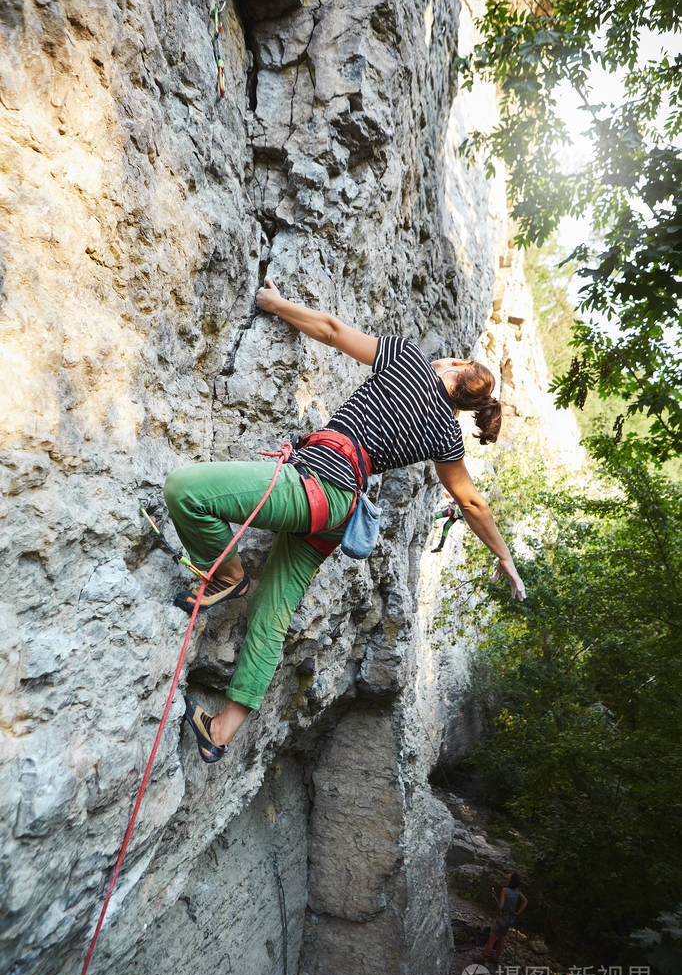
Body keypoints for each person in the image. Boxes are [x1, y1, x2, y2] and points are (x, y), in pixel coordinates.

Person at [163, 278, 526, 763]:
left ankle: (227, 576)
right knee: (272, 617)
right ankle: (221, 731)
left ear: (457, 367)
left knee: (185, 491)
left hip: (316, 485)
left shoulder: (409, 359)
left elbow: (332, 330)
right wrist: (505, 558)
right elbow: (473, 503)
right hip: (338, 513)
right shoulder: (447, 438)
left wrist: (273, 302)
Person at [480, 872, 528, 962]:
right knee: (501, 938)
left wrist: (497, 919)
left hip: (502, 918)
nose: (508, 874)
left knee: (492, 938)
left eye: (510, 874)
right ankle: (496, 957)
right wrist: (518, 912)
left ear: (511, 879)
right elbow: (525, 901)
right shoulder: (517, 891)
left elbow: (501, 907)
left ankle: (482, 957)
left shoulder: (505, 890)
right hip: (510, 919)